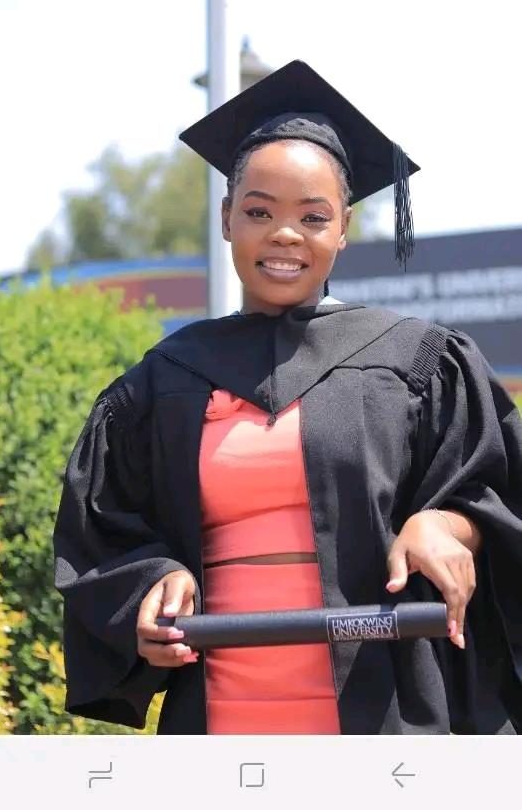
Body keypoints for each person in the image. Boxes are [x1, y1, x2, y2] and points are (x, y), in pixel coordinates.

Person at [53, 60, 522, 735]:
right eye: (259, 211)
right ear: (226, 219)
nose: (284, 234)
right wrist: (148, 586)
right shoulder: (163, 381)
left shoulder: (419, 363)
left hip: (385, 720)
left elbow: (497, 494)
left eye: (313, 216)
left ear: (343, 227)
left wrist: (443, 524)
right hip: (221, 718)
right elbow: (103, 532)